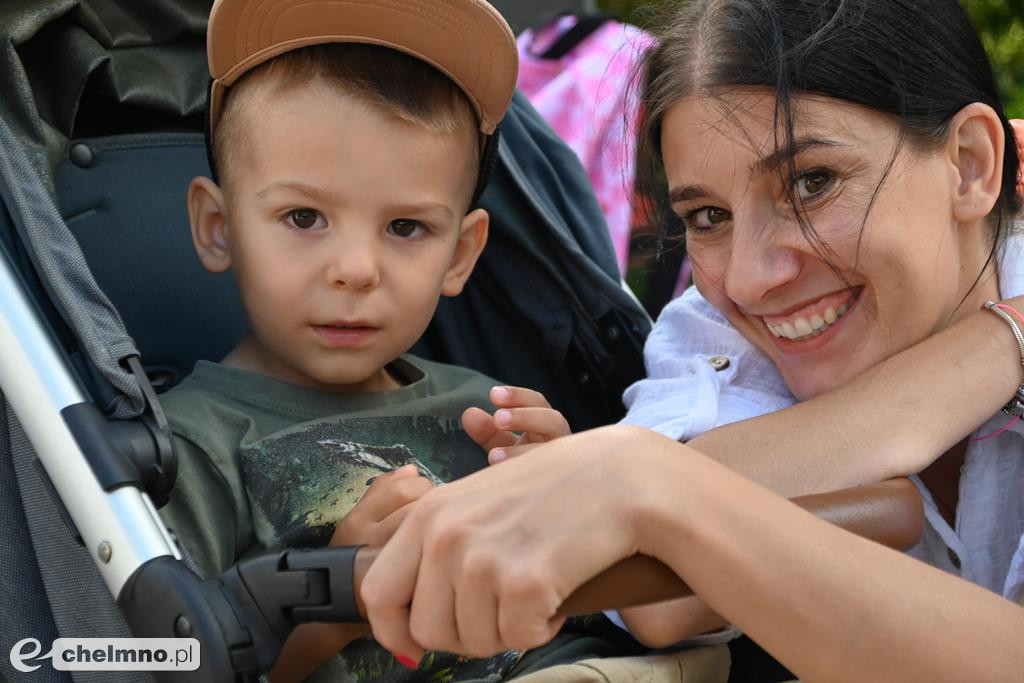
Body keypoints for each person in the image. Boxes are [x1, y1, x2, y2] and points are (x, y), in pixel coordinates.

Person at [359, 0, 1024, 679]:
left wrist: (649, 484)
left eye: (812, 182)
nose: (751, 277)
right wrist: (997, 346)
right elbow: (661, 596)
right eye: (707, 216)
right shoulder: (715, 323)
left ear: (970, 165)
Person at [155, 0, 582, 681]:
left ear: (460, 254)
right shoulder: (188, 450)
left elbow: (565, 613)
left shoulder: (484, 412)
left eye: (406, 228)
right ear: (218, 225)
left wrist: (570, 505)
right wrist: (336, 598)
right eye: (304, 216)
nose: (356, 269)